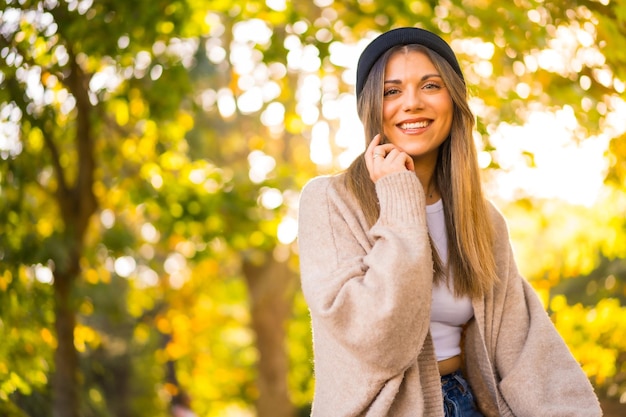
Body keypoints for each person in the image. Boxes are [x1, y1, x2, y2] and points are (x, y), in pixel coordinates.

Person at [297, 27, 602, 417]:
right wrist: (398, 197)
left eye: (430, 86)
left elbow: (525, 347)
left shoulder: (482, 220)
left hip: (466, 404)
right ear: (371, 107)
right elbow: (378, 341)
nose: (411, 103)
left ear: (453, 100)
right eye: (392, 91)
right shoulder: (329, 201)